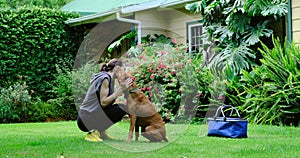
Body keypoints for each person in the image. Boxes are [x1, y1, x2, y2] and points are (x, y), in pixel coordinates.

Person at [77, 58, 132, 142]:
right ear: (117, 69)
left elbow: (107, 104)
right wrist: (120, 89)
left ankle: (101, 132)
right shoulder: (105, 78)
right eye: (122, 70)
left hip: (89, 116)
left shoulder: (110, 79)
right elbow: (103, 102)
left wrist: (122, 89)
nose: (123, 73)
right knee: (121, 108)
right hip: (85, 118)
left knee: (120, 108)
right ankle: (92, 133)